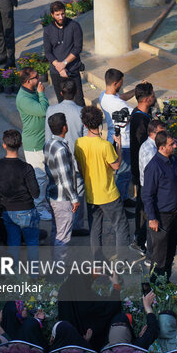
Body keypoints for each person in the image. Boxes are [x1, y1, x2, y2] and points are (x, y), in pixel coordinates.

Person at [74, 106, 131, 262]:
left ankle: (98, 260)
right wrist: (118, 146)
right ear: (100, 123)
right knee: (120, 226)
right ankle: (122, 260)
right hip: (109, 194)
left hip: (91, 194)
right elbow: (116, 166)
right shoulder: (105, 146)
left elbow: (80, 166)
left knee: (95, 228)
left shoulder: (79, 143)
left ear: (84, 125)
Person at [0, 129, 40, 264]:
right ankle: (33, 276)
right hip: (27, 209)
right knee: (32, 242)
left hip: (7, 210)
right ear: (21, 144)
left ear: (4, 145)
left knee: (13, 243)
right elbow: (36, 193)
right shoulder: (26, 168)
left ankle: (13, 275)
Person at [43, 79, 86, 235]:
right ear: (76, 93)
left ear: (61, 93)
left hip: (55, 161)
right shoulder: (81, 112)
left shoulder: (51, 110)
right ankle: (77, 225)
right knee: (78, 191)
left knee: (59, 191)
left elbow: (48, 139)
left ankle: (62, 222)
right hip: (76, 162)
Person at [142, 130, 177, 283]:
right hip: (161, 216)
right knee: (160, 256)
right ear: (161, 147)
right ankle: (155, 288)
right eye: (171, 144)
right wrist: (152, 218)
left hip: (174, 214)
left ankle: (165, 282)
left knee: (170, 252)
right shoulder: (154, 167)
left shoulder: (173, 160)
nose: (175, 146)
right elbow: (147, 195)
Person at [16, 67, 50, 220]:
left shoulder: (31, 91)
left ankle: (42, 203)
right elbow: (44, 110)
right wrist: (42, 93)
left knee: (44, 177)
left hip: (42, 140)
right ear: (28, 81)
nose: (39, 78)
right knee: (40, 178)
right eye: (36, 77)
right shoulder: (23, 98)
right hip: (34, 144)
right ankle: (39, 208)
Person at [44, 113, 79, 262]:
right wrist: (74, 198)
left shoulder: (48, 144)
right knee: (63, 235)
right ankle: (59, 268)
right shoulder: (61, 149)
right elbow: (65, 179)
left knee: (56, 231)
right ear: (65, 127)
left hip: (52, 194)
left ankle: (55, 262)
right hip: (62, 198)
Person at [57, 273, 122, 351]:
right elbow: (110, 306)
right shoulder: (87, 297)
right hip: (90, 349)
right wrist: (116, 284)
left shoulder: (64, 291)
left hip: (65, 348)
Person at [99, 68, 134, 203]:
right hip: (123, 142)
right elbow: (136, 112)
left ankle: (124, 198)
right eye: (121, 83)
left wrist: (136, 91)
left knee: (122, 173)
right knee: (124, 174)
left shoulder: (104, 95)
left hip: (113, 138)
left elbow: (122, 97)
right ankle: (121, 203)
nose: (122, 85)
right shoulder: (117, 103)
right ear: (115, 84)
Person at [130, 81, 156, 255]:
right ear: (147, 99)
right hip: (143, 170)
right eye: (153, 96)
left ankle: (140, 237)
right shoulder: (141, 121)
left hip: (140, 170)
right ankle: (140, 240)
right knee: (143, 205)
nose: (155, 98)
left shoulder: (138, 113)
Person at [43, 1, 85, 106]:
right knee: (62, 102)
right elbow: (48, 52)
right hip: (56, 72)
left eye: (62, 14)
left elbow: (77, 48)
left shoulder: (74, 26)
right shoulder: (48, 30)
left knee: (79, 100)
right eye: (57, 15)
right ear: (52, 15)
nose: (61, 17)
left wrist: (64, 63)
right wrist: (59, 67)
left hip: (73, 69)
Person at [137, 119, 166, 261]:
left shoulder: (153, 146)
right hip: (150, 190)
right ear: (153, 133)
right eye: (162, 133)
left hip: (151, 189)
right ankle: (150, 255)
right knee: (152, 222)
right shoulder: (149, 150)